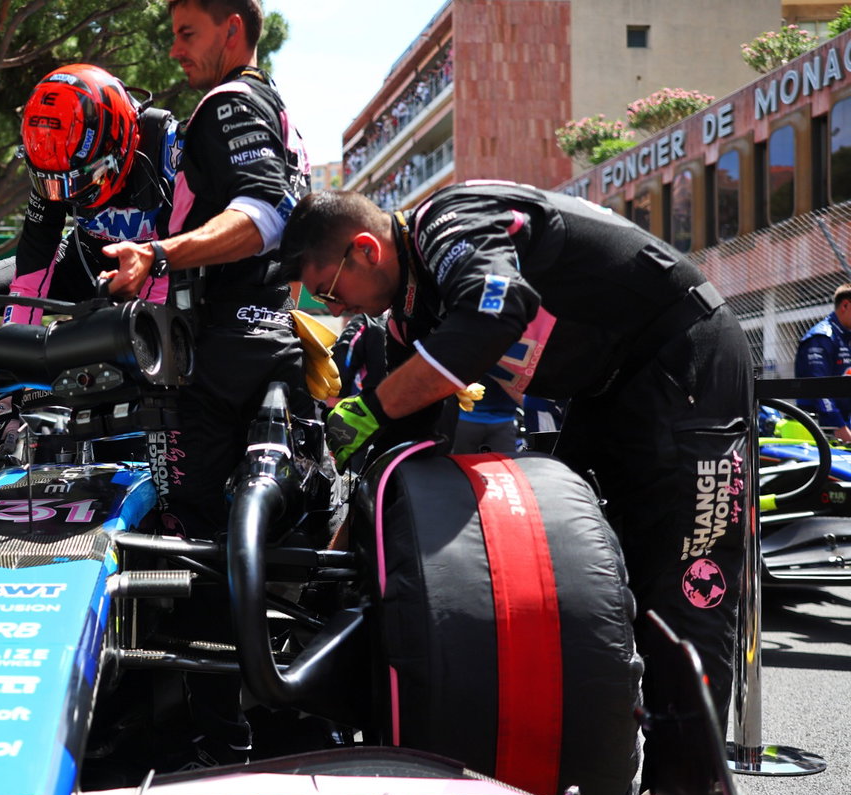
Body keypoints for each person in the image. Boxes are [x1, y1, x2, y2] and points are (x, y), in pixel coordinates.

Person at [279, 183, 749, 758]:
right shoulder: (408, 314)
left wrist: (374, 406)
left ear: (365, 250)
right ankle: (597, 768)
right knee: (584, 576)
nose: (332, 309)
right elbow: (406, 445)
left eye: (329, 291)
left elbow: (495, 309)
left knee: (683, 586)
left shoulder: (449, 221)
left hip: (686, 357)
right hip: (607, 390)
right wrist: (336, 564)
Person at [102, 0, 312, 767]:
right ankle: (267, 724)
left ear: (234, 30)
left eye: (186, 34)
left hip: (216, 361)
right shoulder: (276, 108)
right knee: (260, 541)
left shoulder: (228, 104)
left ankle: (215, 749)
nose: (175, 51)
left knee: (190, 553)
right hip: (271, 351)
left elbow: (264, 216)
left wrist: (159, 255)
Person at [0, 63, 181, 379]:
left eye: (78, 180)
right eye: (55, 183)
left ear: (118, 144)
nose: (68, 194)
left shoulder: (171, 151)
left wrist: (146, 352)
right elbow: (34, 262)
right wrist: (14, 365)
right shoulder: (52, 156)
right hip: (85, 262)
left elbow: (175, 262)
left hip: (167, 272)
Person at [793, 282, 851, 443]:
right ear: (845, 305)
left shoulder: (845, 338)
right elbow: (819, 388)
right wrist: (839, 427)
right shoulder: (821, 337)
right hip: (819, 430)